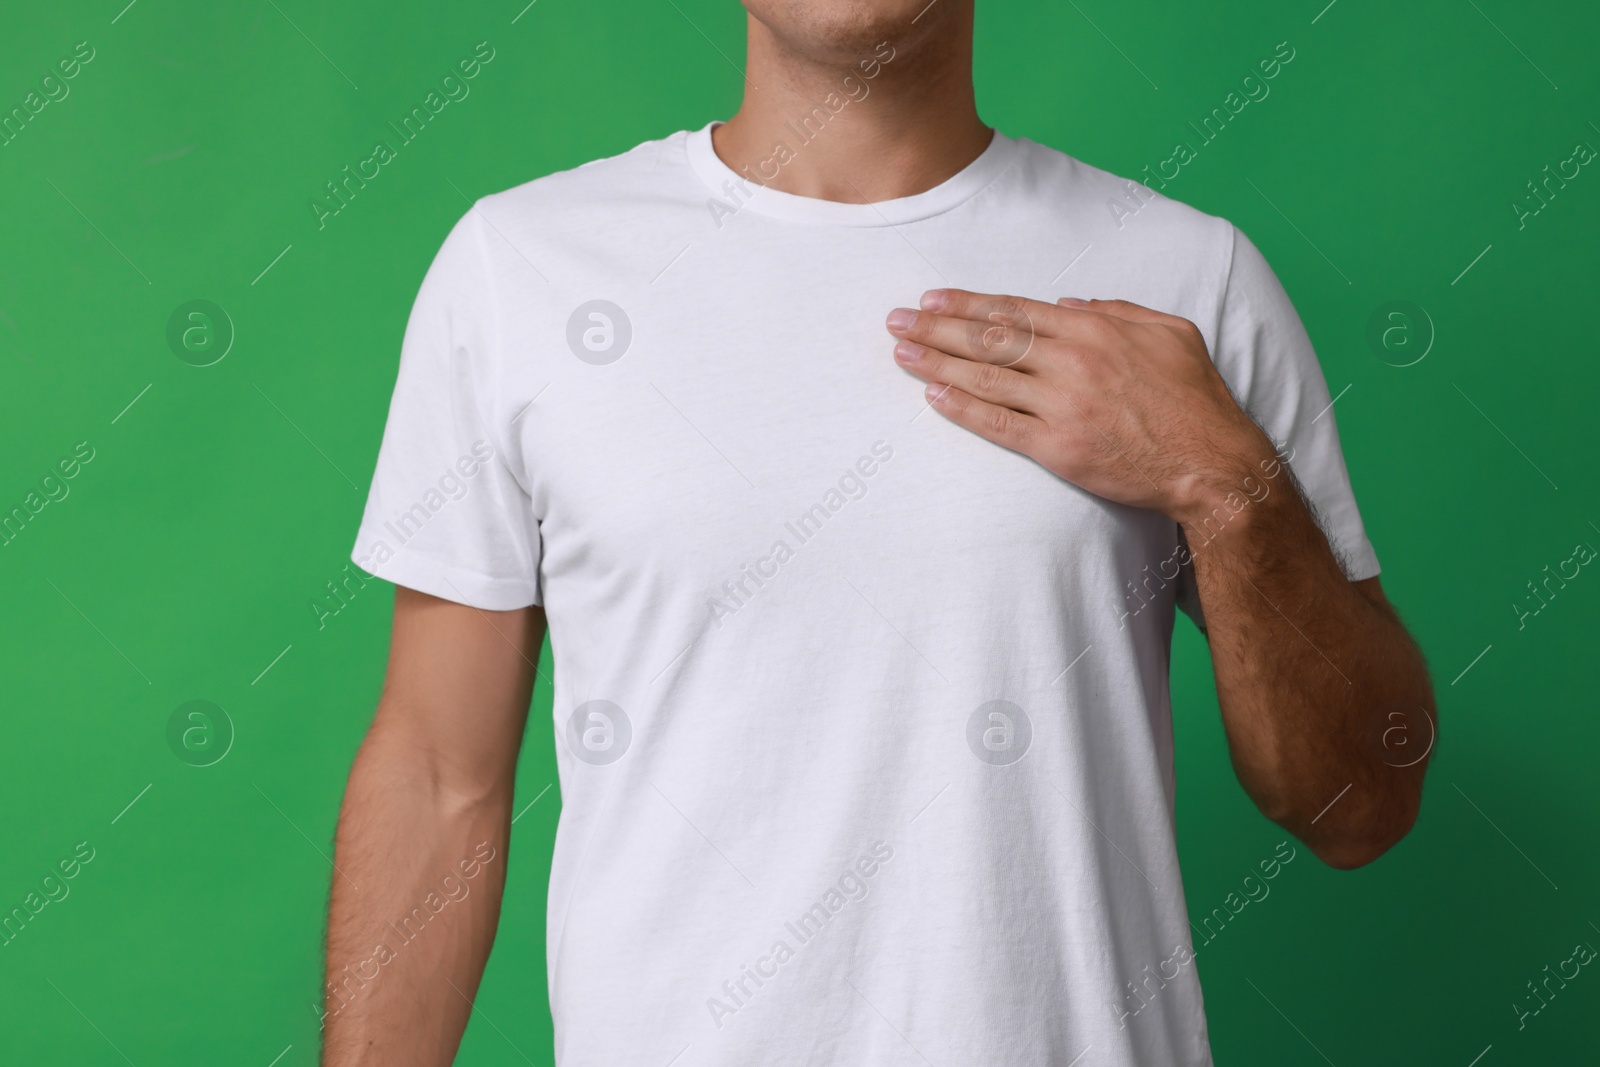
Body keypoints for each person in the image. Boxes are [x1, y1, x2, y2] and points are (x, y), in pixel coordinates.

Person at [321, 1, 1437, 1063]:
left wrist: (1227, 483)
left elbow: (1361, 802)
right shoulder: (520, 272)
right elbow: (434, 776)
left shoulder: (1187, 278)